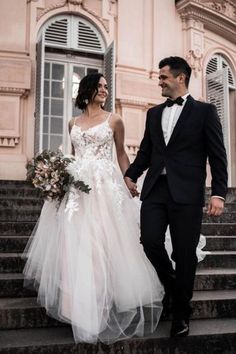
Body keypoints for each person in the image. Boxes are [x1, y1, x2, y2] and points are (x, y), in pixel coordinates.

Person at [23, 73, 165, 344]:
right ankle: (76, 306)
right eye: (100, 86)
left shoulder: (115, 120)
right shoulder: (72, 122)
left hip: (104, 187)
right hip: (77, 190)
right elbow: (73, 158)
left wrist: (129, 179)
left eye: (106, 87)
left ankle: (101, 303)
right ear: (88, 89)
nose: (104, 90)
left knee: (103, 241)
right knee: (75, 244)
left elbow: (121, 154)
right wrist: (57, 178)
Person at [124, 56, 228, 338]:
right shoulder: (154, 113)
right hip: (156, 189)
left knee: (184, 254)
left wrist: (218, 193)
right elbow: (146, 151)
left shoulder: (205, 112)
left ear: (180, 78)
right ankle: (173, 288)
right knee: (150, 241)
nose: (159, 81)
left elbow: (218, 156)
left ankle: (181, 312)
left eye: (163, 77)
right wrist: (131, 174)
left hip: (188, 193)